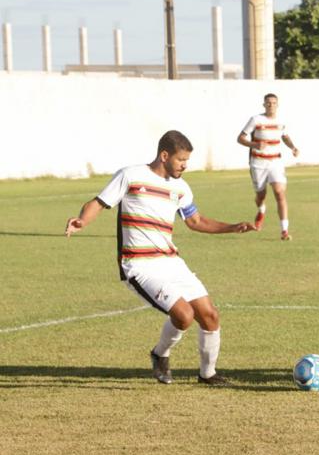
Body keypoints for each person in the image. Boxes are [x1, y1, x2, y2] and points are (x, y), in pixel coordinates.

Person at [65, 130, 256, 385]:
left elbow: (196, 221)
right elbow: (98, 203)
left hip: (171, 262)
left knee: (210, 315)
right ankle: (160, 355)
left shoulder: (181, 188)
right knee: (184, 315)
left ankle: (207, 374)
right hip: (140, 266)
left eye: (187, 160)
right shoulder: (130, 175)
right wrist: (82, 221)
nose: (185, 166)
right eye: (181, 160)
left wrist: (232, 227)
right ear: (164, 155)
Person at [238, 93, 300, 240]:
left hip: (275, 163)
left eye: (273, 103)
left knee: (279, 192)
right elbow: (240, 138)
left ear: (277, 105)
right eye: (268, 103)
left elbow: (284, 136)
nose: (271, 105)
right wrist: (254, 144)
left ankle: (284, 231)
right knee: (261, 195)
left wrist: (293, 147)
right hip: (258, 164)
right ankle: (261, 209)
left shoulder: (281, 121)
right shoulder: (256, 120)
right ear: (264, 105)